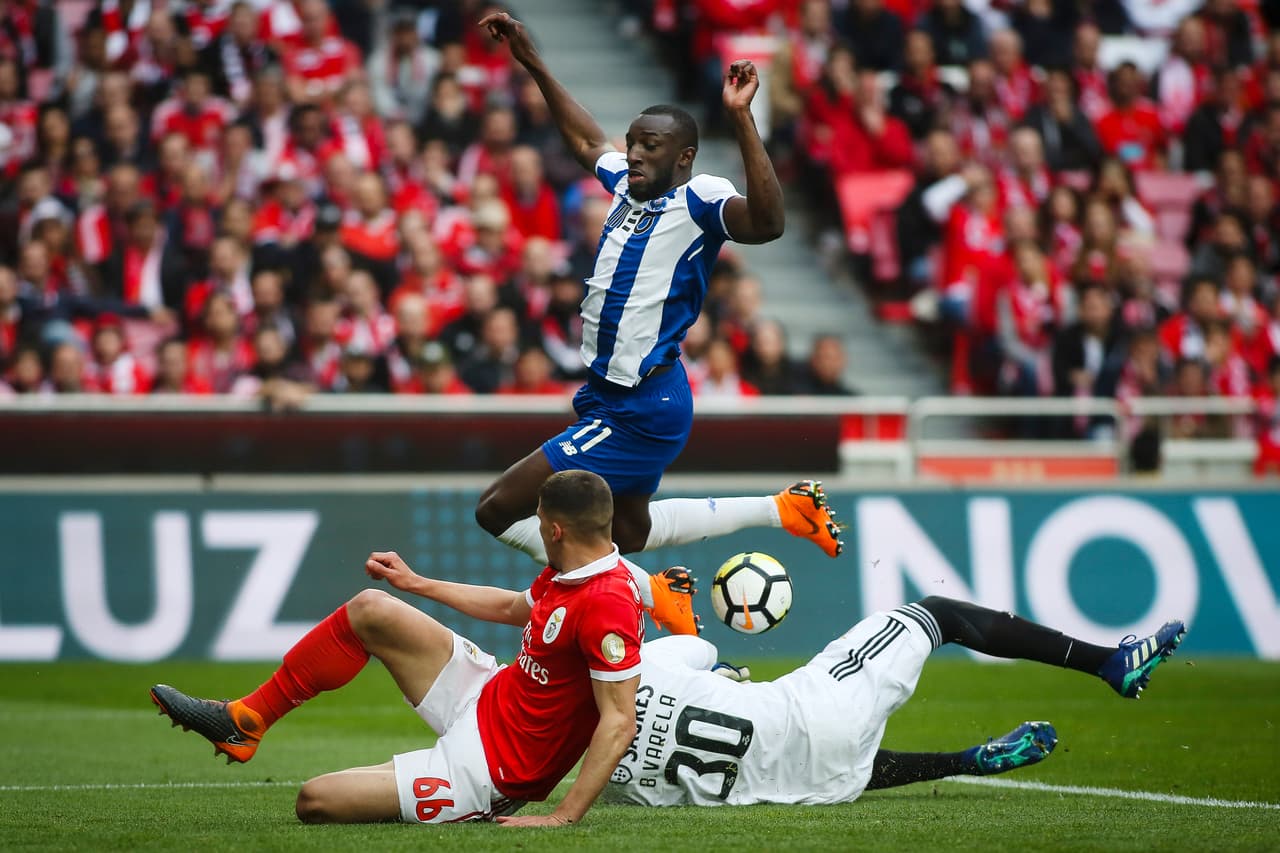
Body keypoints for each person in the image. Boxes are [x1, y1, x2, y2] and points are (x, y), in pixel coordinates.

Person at [472, 13, 842, 635]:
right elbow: (588, 144)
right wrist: (533, 63)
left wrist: (743, 120)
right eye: (634, 142)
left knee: (497, 509)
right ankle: (785, 509)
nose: (635, 154)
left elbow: (768, 223)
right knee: (630, 532)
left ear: (685, 157)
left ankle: (650, 597)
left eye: (651, 147)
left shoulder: (699, 201)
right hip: (614, 394)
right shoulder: (626, 186)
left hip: (640, 405)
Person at [151, 470, 647, 828]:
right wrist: (416, 583)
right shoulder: (575, 569)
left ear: (556, 530)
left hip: (492, 768)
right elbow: (514, 607)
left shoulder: (605, 604)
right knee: (374, 608)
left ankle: (446, 791)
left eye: (540, 522)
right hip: (488, 693)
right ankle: (246, 721)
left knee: (316, 800)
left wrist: (562, 816)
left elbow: (619, 719)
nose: (539, 529)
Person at [606, 597, 1186, 807]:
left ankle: (966, 761)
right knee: (937, 614)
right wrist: (726, 671)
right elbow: (703, 650)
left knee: (825, 761)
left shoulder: (610, 777)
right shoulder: (649, 662)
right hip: (814, 709)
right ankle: (1109, 662)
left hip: (813, 787)